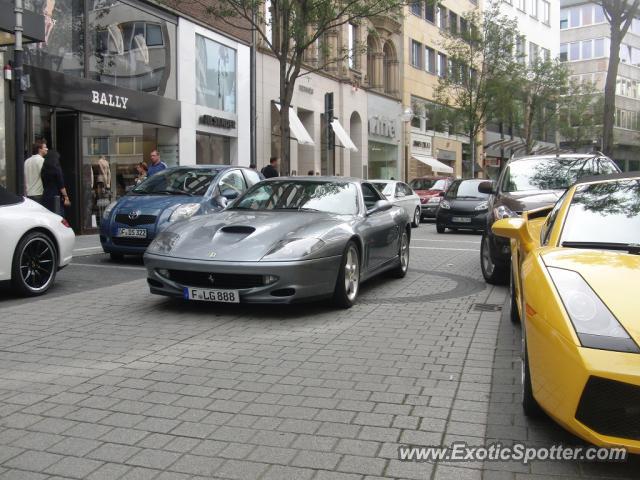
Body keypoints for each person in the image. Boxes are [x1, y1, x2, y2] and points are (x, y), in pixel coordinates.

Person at [41, 150, 70, 215]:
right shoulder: (57, 170)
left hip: (45, 195)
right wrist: (66, 197)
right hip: (55, 197)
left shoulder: (43, 170)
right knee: (59, 216)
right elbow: (61, 186)